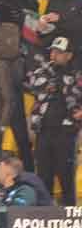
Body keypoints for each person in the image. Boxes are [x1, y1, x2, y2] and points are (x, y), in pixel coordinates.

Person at [24, 37, 82, 204]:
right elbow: (32, 86)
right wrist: (49, 81)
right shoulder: (43, 71)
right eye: (52, 51)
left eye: (59, 52)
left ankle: (70, 212)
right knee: (43, 175)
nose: (54, 55)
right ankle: (45, 212)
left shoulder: (76, 74)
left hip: (66, 131)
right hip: (43, 130)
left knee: (65, 174)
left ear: (69, 55)